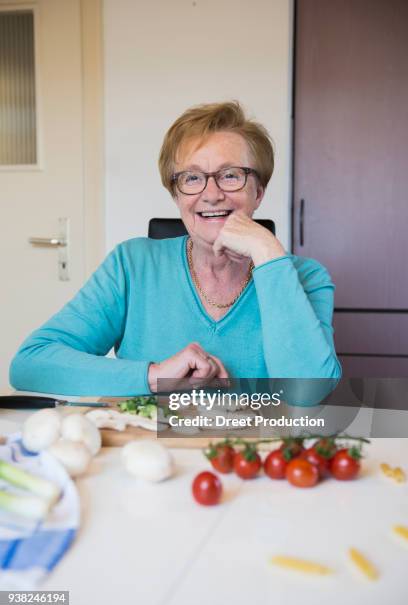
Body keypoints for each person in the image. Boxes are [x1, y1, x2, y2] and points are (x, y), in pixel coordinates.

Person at [10, 101, 341, 397]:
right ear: (176, 195)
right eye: (192, 178)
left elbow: (308, 393)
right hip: (151, 454)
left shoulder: (304, 277)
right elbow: (30, 364)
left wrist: (269, 253)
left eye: (230, 175)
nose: (211, 194)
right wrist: (155, 376)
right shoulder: (132, 265)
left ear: (259, 192)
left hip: (254, 458)